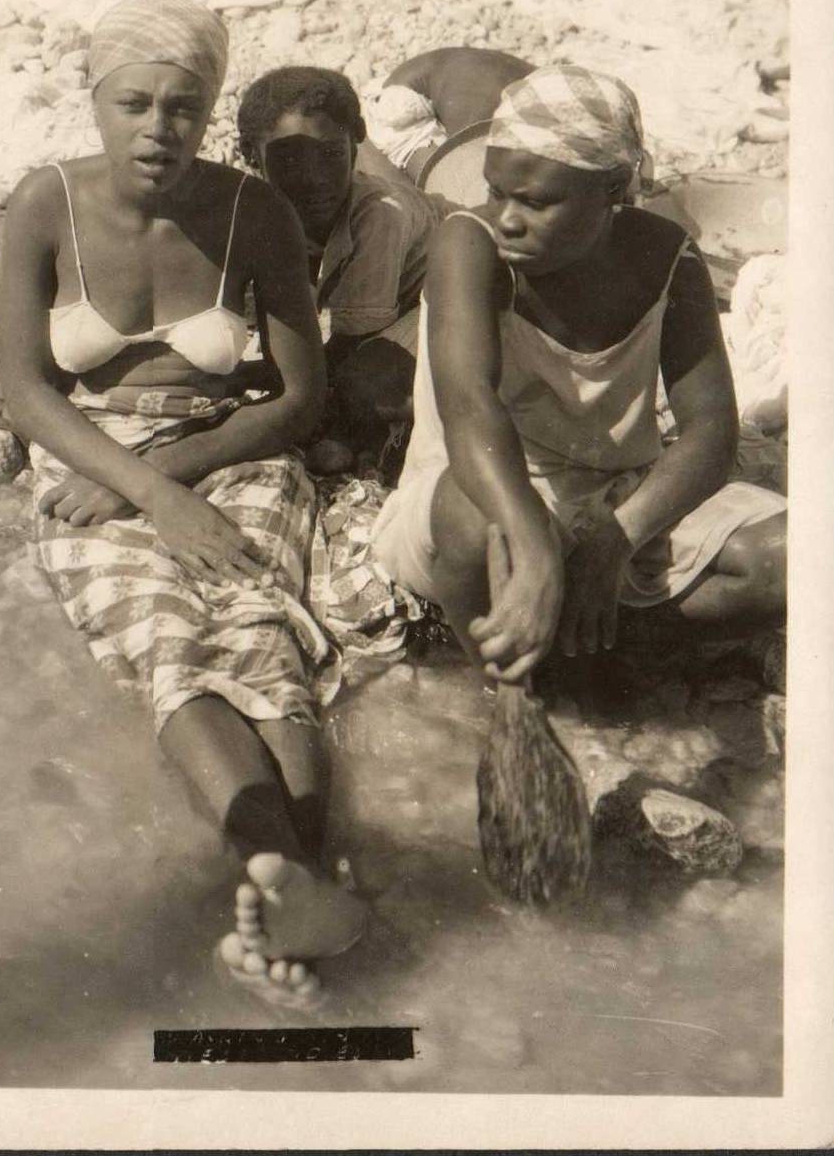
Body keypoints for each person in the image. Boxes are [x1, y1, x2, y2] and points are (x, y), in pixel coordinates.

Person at [0, 0, 364, 1004]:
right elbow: (24, 389)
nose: (157, 129)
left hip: (230, 448)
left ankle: (286, 883)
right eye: (134, 103)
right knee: (166, 636)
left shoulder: (256, 211)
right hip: (90, 463)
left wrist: (179, 478)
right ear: (94, 100)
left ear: (210, 114)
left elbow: (300, 395)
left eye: (183, 107)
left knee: (262, 631)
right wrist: (145, 494)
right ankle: (295, 883)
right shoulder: (43, 203)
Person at [372, 63, 786, 686]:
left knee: (793, 559)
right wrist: (536, 543)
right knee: (477, 522)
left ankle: (584, 650)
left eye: (536, 202)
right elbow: (469, 408)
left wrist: (614, 542)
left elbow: (709, 432)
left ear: (615, 188)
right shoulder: (470, 245)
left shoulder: (669, 257)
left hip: (614, 495)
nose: (508, 217)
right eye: (497, 191)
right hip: (481, 489)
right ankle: (528, 669)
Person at [236, 65, 445, 470]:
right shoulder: (257, 210)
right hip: (397, 304)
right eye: (288, 159)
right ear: (250, 154)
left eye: (331, 155)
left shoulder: (380, 215)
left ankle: (383, 434)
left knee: (361, 382)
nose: (313, 179)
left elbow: (349, 343)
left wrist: (266, 385)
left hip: (451, 291)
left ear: (358, 139)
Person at [364, 46, 537, 183]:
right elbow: (463, 162)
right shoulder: (483, 106)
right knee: (453, 190)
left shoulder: (544, 85)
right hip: (399, 106)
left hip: (420, 79)